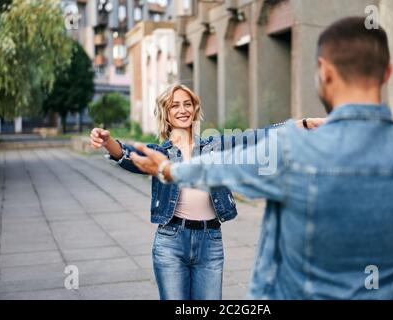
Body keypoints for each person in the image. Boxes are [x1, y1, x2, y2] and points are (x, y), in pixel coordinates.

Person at [127, 17, 393, 299]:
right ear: (387, 73)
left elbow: (224, 166)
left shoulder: (294, 151)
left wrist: (168, 169)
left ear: (325, 72)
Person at [90, 84, 324, 299]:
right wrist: (108, 141)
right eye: (175, 105)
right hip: (171, 242)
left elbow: (257, 137)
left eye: (187, 104)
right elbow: (126, 153)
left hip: (210, 242)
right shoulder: (159, 152)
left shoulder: (216, 147)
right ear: (166, 114)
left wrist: (302, 124)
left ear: (194, 109)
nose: (182, 110)